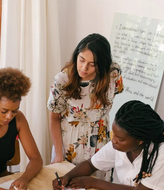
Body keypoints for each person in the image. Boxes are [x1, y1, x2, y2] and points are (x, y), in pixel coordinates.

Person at [48, 33, 124, 169]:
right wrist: (59, 154)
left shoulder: (113, 74)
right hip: (70, 145)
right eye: (81, 60)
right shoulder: (62, 80)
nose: (83, 68)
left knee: (99, 188)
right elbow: (54, 118)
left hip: (101, 144)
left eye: (92, 64)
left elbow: (110, 99)